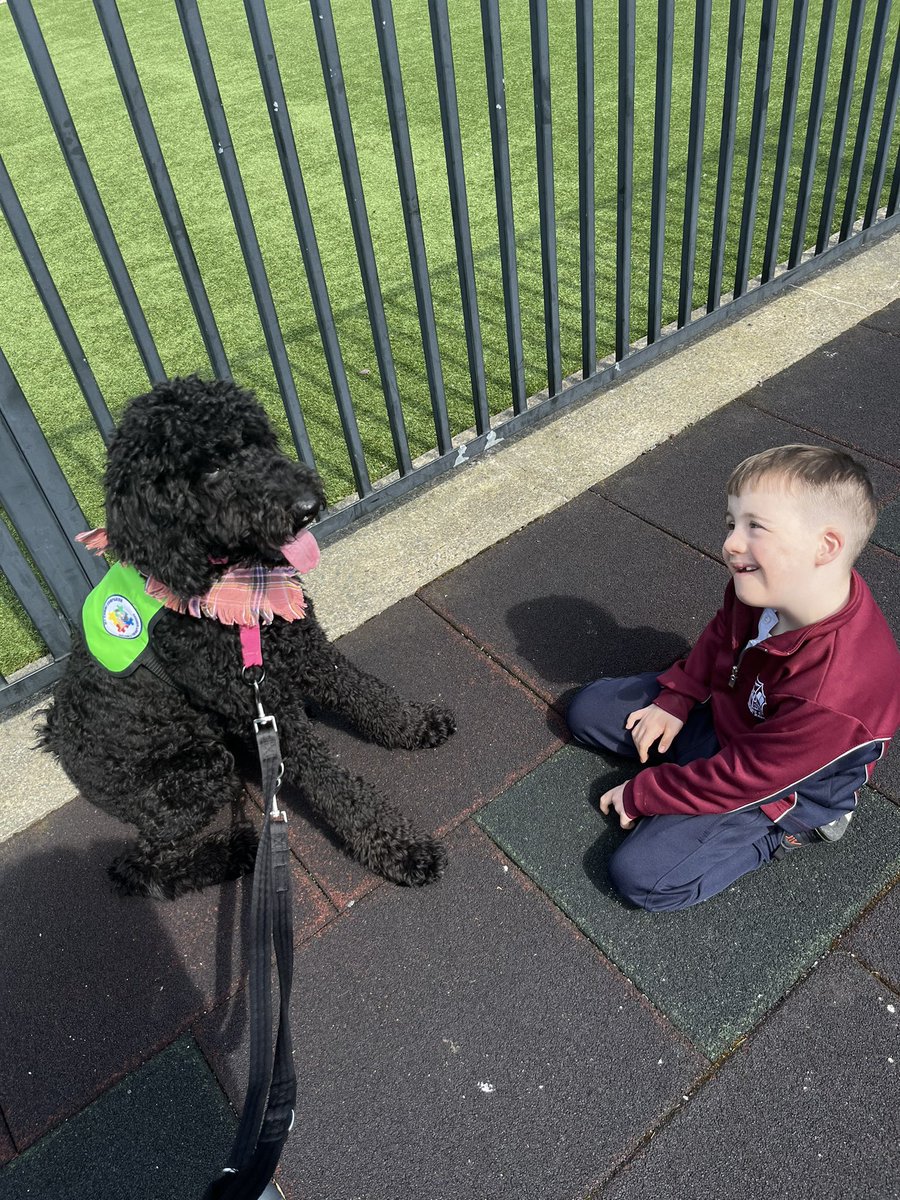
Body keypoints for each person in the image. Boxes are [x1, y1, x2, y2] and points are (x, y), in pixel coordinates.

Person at [567, 444, 900, 912]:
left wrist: (646, 792)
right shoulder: (764, 585)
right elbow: (722, 633)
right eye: (732, 523)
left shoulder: (837, 692)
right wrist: (676, 699)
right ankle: (688, 759)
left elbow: (747, 776)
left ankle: (783, 834)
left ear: (825, 546)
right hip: (729, 721)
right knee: (587, 711)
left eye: (755, 527)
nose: (731, 543)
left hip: (780, 785)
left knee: (643, 878)